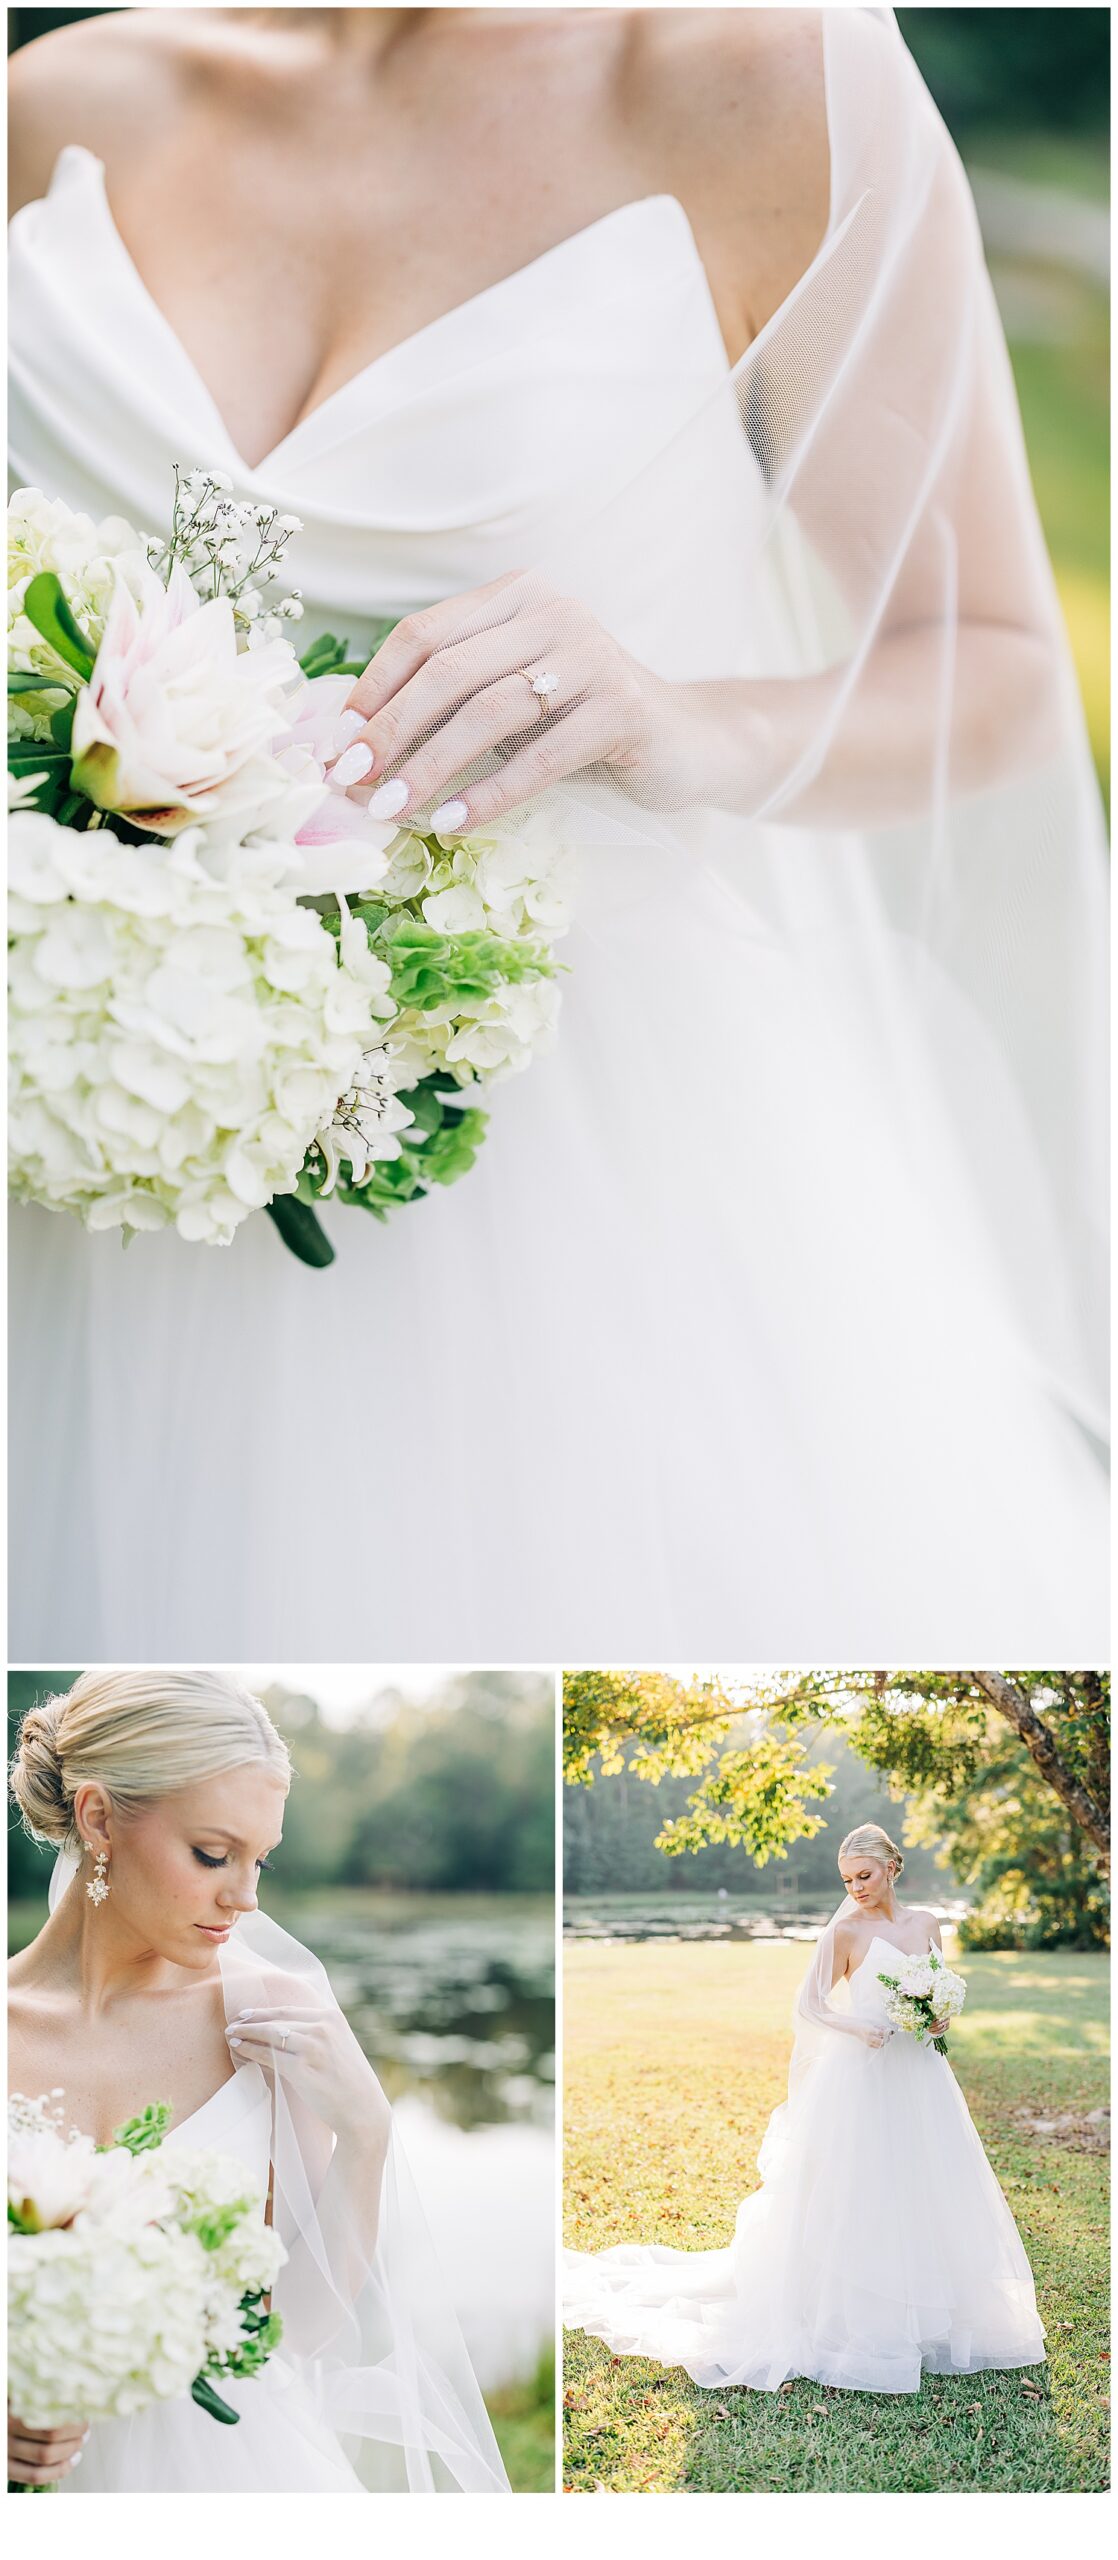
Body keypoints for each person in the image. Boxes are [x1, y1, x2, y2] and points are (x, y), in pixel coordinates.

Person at [7, 9, 1108, 1657]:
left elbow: (1001, 674)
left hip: (579, 1185)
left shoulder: (760, 83)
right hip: (70, 1144)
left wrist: (685, 716)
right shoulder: (62, 101)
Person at [7, 1667, 508, 2491]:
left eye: (260, 1862)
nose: (242, 1896)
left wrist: (368, 2135)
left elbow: (295, 2330)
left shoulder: (265, 2019)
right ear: (98, 1818)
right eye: (213, 1854)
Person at [563, 1821, 1046, 2395]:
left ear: (893, 1866)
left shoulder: (926, 1924)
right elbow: (810, 2006)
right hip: (862, 2076)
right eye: (846, 1878)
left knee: (927, 2181)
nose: (856, 1887)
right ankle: (857, 2313)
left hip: (920, 2073)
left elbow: (934, 1986)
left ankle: (935, 2311)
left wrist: (940, 2017)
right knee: (860, 2191)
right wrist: (857, 2026)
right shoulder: (842, 1933)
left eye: (864, 1875)